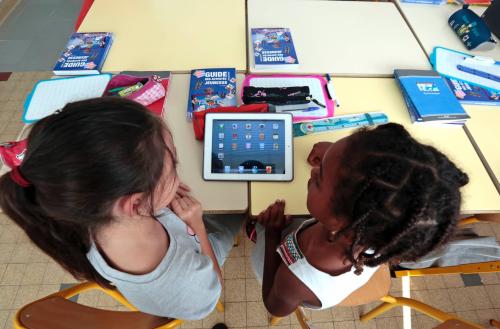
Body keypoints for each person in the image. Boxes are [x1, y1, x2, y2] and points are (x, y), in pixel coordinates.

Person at [0, 98, 243, 320]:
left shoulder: (86, 218)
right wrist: (197, 224)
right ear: (134, 203)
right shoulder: (187, 281)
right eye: (173, 167)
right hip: (198, 248)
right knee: (240, 214)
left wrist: (157, 189)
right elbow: (214, 286)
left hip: (171, 229)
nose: (176, 173)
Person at [249, 123, 469, 316]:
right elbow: (380, 181)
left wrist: (272, 234)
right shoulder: (381, 228)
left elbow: (274, 305)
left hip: (277, 264)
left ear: (339, 222)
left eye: (320, 178)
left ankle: (256, 233)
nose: (314, 172)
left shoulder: (293, 279)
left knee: (257, 222)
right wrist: (337, 156)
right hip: (304, 242)